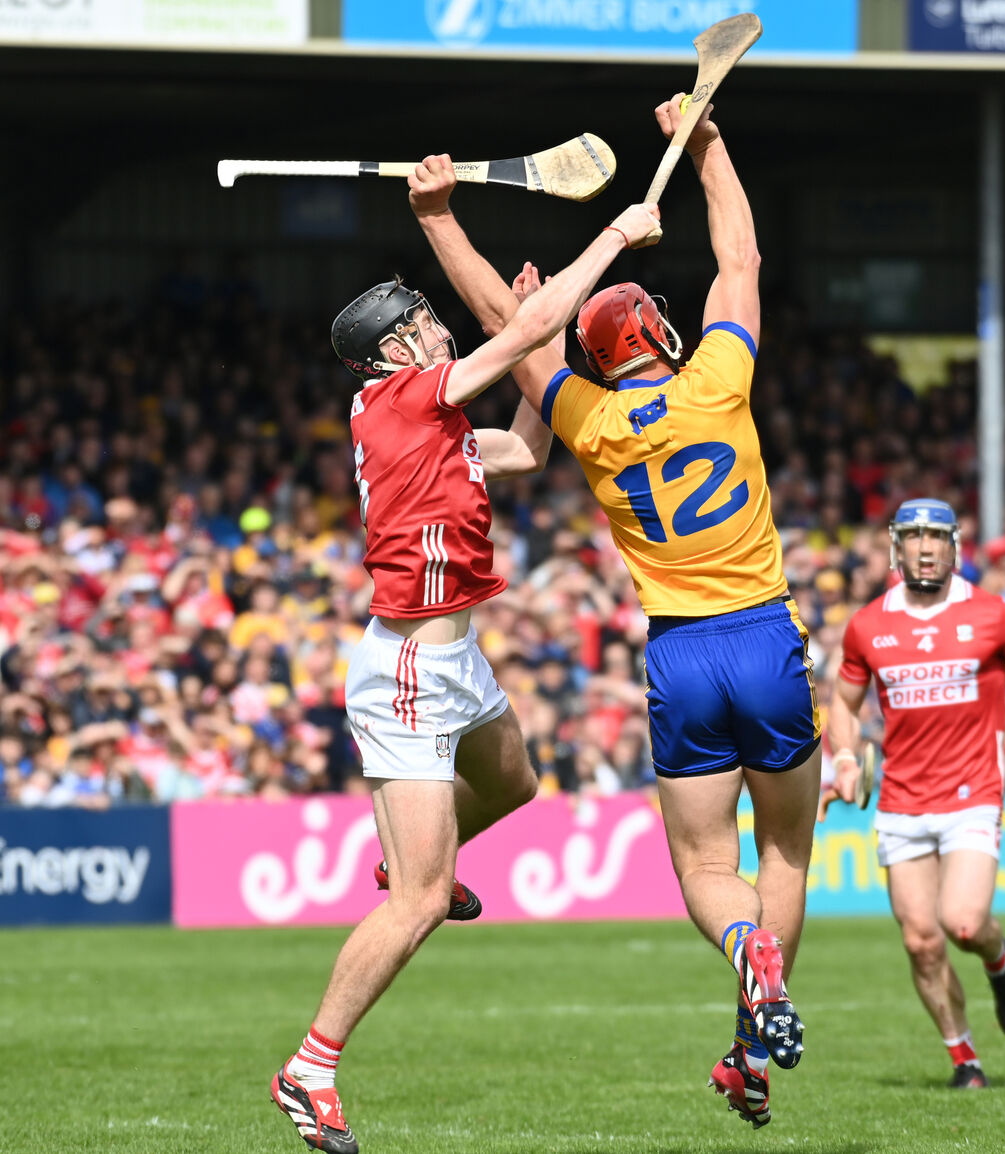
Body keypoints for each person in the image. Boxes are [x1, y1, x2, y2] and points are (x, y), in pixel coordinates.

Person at [403, 96, 820, 1130]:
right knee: (784, 854)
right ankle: (751, 1043)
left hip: (681, 653)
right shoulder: (719, 378)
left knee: (706, 866)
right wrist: (708, 144)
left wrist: (440, 219)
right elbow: (740, 258)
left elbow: (506, 326)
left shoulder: (584, 417)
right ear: (664, 334)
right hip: (765, 634)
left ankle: (745, 953)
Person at [268, 198, 663, 1154]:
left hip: (454, 657)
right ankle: (310, 1068)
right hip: (411, 664)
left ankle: (415, 860)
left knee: (514, 783)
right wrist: (611, 242)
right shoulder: (407, 398)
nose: (439, 325)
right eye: (424, 319)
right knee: (419, 902)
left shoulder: (428, 421)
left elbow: (529, 445)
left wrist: (536, 344)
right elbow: (520, 333)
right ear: (397, 348)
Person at [821, 498, 1005, 1089]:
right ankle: (964, 1059)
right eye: (915, 538)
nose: (926, 548)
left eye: (937, 537)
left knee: (962, 923)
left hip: (972, 794)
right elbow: (843, 702)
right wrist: (845, 758)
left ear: (954, 547)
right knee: (921, 941)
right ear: (897, 547)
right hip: (901, 800)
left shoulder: (991, 614)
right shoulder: (868, 625)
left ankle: (1000, 960)